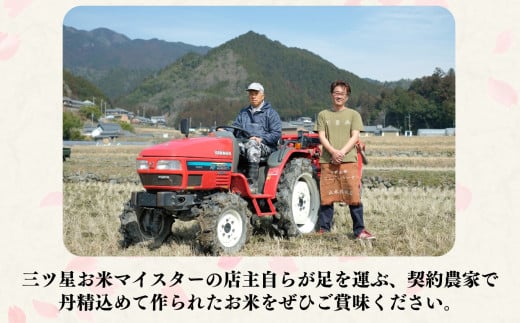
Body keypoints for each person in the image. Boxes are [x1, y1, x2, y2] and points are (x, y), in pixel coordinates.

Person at [315, 80, 374, 240]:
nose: (338, 96)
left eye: (342, 93)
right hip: (328, 160)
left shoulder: (354, 115)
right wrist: (333, 152)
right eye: (336, 93)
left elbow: (355, 135)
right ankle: (324, 229)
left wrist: (341, 152)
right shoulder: (323, 115)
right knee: (327, 196)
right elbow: (321, 136)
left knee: (353, 196)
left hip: (349, 160)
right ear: (331, 95)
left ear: (347, 96)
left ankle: (359, 230)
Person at [231, 82, 282, 193]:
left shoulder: (271, 113)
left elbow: (276, 133)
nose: (253, 96)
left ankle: (252, 185)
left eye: (256, 93)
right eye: (251, 94)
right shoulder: (244, 113)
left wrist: (261, 139)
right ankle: (231, 179)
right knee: (231, 146)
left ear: (262, 96)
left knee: (253, 145)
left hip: (266, 147)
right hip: (246, 143)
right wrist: (225, 132)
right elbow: (235, 127)